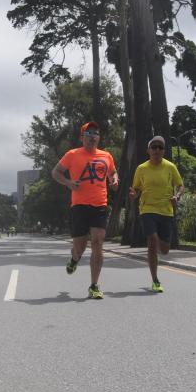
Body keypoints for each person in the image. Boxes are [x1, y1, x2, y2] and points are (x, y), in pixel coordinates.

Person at [51, 121, 119, 300]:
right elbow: (56, 172)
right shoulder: (72, 155)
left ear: (99, 137)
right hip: (79, 206)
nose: (92, 137)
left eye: (95, 134)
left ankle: (94, 285)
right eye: (88, 134)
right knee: (80, 247)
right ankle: (74, 259)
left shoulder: (106, 156)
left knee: (97, 242)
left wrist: (114, 180)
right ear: (82, 137)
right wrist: (68, 183)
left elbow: (112, 172)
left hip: (100, 205)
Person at [129, 135, 184, 293]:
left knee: (165, 250)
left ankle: (156, 248)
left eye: (160, 147)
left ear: (164, 151)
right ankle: (155, 280)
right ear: (148, 150)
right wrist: (134, 194)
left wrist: (177, 196)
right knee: (152, 240)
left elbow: (180, 185)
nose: (157, 150)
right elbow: (137, 188)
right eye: (154, 147)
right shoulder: (141, 168)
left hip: (166, 211)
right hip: (147, 209)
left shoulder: (170, 167)